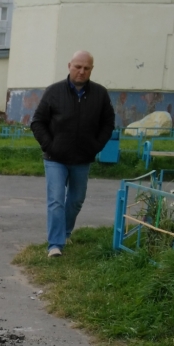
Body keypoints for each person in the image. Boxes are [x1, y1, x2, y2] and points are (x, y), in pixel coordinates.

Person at [30, 50, 115, 257]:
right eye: (78, 67)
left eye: (86, 68)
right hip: (55, 158)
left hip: (82, 158)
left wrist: (96, 146)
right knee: (56, 200)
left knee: (76, 200)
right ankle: (55, 245)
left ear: (91, 69)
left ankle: (65, 232)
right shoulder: (54, 91)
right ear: (69, 66)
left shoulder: (100, 94)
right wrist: (50, 146)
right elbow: (37, 122)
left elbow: (108, 123)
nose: (81, 71)